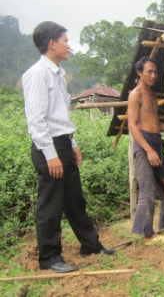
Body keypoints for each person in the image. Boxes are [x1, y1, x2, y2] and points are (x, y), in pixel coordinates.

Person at [22, 21, 115, 273]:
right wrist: (50, 154)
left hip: (62, 143)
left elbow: (61, 115)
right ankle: (50, 257)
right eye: (65, 40)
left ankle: (90, 244)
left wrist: (71, 144)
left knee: (75, 200)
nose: (69, 45)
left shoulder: (59, 75)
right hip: (48, 146)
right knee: (50, 205)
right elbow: (37, 121)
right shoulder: (37, 74)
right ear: (52, 43)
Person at [127, 56, 164, 245]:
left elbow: (155, 124)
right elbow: (132, 125)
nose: (154, 76)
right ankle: (148, 235)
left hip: (156, 141)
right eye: (149, 72)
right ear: (139, 73)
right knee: (147, 190)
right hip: (143, 143)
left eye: (155, 72)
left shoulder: (152, 95)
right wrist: (148, 150)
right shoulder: (135, 94)